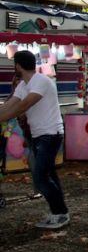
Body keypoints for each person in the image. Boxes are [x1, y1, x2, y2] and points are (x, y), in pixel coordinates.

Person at [0, 51, 68, 229]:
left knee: (40, 177)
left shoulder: (41, 81)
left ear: (18, 66)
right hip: (39, 135)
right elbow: (11, 104)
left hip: (50, 134)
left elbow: (23, 105)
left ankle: (59, 212)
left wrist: (3, 117)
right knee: (48, 175)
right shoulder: (24, 84)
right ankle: (59, 213)